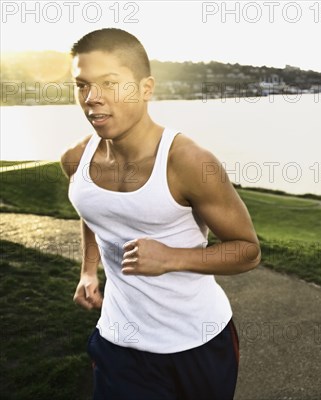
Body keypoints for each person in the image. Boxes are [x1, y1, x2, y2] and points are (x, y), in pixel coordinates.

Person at [60, 28, 261, 400]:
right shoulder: (76, 159)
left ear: (146, 88)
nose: (92, 99)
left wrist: (172, 258)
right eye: (82, 85)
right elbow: (92, 212)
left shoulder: (188, 162)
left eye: (110, 83)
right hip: (120, 342)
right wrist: (89, 270)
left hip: (198, 341)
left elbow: (247, 251)